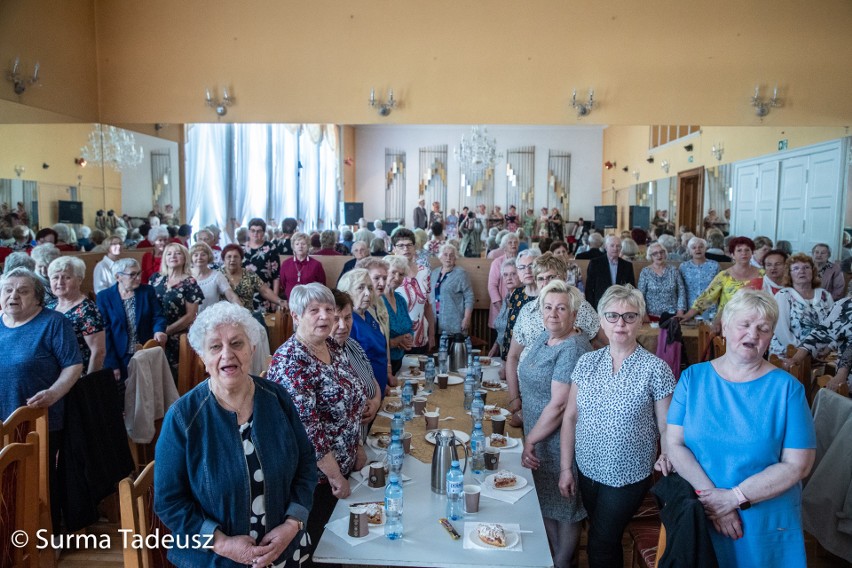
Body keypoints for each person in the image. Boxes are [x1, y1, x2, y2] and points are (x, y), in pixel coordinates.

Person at [154, 302, 316, 567]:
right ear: (202, 357)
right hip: (215, 559)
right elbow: (169, 501)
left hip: (286, 549)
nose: (227, 354)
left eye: (236, 343)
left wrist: (292, 523)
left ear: (252, 348)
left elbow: (306, 463)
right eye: (215, 347)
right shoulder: (184, 417)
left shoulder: (277, 398)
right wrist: (221, 542)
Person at [667, 289, 816, 566]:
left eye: (763, 328)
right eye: (744, 324)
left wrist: (735, 498)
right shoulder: (692, 378)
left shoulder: (787, 389)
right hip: (703, 513)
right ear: (724, 326)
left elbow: (798, 465)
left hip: (765, 518)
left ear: (771, 337)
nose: (753, 334)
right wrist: (716, 502)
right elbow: (674, 443)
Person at [559, 285, 675, 568]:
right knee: (602, 535)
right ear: (601, 320)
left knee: (602, 540)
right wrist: (565, 468)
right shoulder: (586, 362)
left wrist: (668, 452)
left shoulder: (655, 369)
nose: (620, 323)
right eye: (612, 316)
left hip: (628, 474)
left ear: (641, 320)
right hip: (587, 468)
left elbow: (667, 425)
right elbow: (570, 417)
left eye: (629, 316)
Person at [266, 283, 367, 565]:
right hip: (314, 482)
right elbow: (310, 434)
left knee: (345, 547)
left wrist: (357, 445)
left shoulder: (332, 346)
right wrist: (336, 477)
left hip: (343, 466)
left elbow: (353, 400)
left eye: (329, 309)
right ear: (297, 316)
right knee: (320, 552)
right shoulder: (291, 362)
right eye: (314, 310)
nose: (325, 316)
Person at [0, 268, 83, 527]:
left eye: (22, 291)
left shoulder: (53, 322)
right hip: (2, 418)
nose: (13, 295)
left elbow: (73, 365)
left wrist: (53, 393)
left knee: (41, 476)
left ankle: (48, 533)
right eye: (8, 290)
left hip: (39, 416)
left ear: (37, 298)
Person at [519, 281, 590, 568]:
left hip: (561, 438)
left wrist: (530, 440)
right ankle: (554, 559)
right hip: (538, 434)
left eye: (561, 308)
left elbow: (560, 405)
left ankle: (562, 564)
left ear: (574, 315)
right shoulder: (544, 337)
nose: (553, 314)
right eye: (548, 307)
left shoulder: (572, 347)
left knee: (566, 509)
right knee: (548, 503)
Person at [96, 258, 168, 380]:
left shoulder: (147, 291)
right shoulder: (104, 297)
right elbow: (105, 333)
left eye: (139, 273)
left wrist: (159, 330)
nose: (138, 278)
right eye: (132, 275)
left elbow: (158, 315)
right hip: (120, 355)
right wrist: (112, 364)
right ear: (118, 277)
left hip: (145, 349)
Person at [680, 236, 764, 330]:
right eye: (739, 250)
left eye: (747, 250)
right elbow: (707, 297)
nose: (743, 253)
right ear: (732, 255)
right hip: (728, 322)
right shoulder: (724, 275)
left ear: (752, 253)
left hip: (756, 322)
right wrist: (687, 315)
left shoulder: (763, 275)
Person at [331, 289, 381, 441]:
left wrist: (376, 403)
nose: (343, 326)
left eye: (347, 318)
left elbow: (373, 381)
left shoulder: (353, 345)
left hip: (364, 438)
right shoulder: (322, 357)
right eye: (335, 319)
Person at [47, 257, 106, 375]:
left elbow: (98, 352)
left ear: (79, 280)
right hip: (53, 377)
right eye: (55, 277)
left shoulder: (87, 310)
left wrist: (89, 383)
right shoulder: (49, 307)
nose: (60, 282)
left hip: (78, 377)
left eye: (67, 277)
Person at [149, 243, 204, 368]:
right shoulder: (155, 279)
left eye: (178, 253)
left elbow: (190, 315)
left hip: (178, 338)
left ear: (185, 258)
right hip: (155, 335)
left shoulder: (190, 282)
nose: (173, 256)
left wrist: (167, 330)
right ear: (164, 258)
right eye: (169, 253)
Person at [339, 269, 392, 396]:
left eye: (369, 288)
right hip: (363, 394)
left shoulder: (368, 315)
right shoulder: (348, 322)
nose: (368, 293)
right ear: (347, 292)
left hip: (379, 388)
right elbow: (348, 365)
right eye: (360, 288)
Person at [770, 253, 833, 356]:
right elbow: (781, 330)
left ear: (813, 271)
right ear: (789, 274)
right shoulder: (783, 295)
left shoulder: (825, 295)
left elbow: (834, 325)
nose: (801, 271)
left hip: (822, 354)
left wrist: (828, 347)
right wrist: (803, 351)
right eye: (796, 268)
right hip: (789, 353)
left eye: (806, 267)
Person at [392, 228, 435, 353]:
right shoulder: (389, 273)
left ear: (414, 247)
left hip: (420, 337)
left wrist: (431, 334)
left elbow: (428, 306)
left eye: (409, 245)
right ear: (394, 249)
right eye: (401, 246)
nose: (406, 249)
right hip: (396, 340)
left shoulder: (424, 271)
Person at [500, 249, 542, 357]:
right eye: (522, 267)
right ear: (518, 272)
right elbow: (509, 329)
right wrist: (505, 359)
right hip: (515, 357)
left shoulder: (547, 295)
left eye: (531, 266)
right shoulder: (516, 294)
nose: (527, 271)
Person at [220, 244, 286, 311]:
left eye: (236, 257)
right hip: (223, 317)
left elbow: (265, 291)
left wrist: (280, 301)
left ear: (241, 259)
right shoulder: (217, 275)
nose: (232, 260)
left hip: (247, 317)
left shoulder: (250, 274)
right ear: (223, 259)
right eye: (229, 257)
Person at [430, 243, 474, 338]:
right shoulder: (434, 273)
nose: (448, 258)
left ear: (455, 258)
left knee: (454, 351)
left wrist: (467, 318)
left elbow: (469, 297)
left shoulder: (461, 274)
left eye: (451, 255)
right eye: (445, 254)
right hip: (434, 323)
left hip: (454, 323)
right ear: (440, 257)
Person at [637, 242, 687, 319]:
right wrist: (644, 314)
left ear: (665, 253)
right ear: (651, 256)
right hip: (651, 315)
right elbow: (640, 295)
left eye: (661, 252)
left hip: (672, 315)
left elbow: (681, 292)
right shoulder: (645, 272)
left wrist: (680, 312)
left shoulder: (674, 270)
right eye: (655, 253)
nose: (659, 255)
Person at [585, 235, 636, 309]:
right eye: (612, 245)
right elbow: (589, 288)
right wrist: (591, 308)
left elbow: (632, 288)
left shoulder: (627, 265)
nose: (615, 248)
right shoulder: (595, 263)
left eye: (618, 246)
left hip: (621, 304)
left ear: (621, 248)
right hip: (600, 304)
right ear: (606, 247)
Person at [189, 242, 242, 312]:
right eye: (196, 255)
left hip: (211, 319)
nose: (199, 257)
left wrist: (242, 311)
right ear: (191, 257)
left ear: (209, 257)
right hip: (188, 320)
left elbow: (231, 296)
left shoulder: (217, 275)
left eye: (203, 255)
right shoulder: (185, 275)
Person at [279, 232, 326, 311]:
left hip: (311, 303)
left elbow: (322, 285)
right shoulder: (286, 264)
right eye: (297, 244)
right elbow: (283, 283)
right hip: (291, 303)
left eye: (303, 244)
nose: (300, 246)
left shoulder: (316, 265)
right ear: (293, 247)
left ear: (308, 246)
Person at [383, 255, 414, 374]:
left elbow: (408, 327)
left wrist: (409, 338)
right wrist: (396, 341)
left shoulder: (400, 300)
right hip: (383, 364)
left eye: (401, 275)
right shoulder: (377, 301)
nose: (397, 278)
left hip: (399, 360)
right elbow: (375, 339)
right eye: (393, 272)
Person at [679, 237, 721, 321]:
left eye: (701, 247)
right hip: (690, 308)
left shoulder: (715, 266)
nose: (697, 249)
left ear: (706, 248)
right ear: (689, 250)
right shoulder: (683, 267)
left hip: (710, 308)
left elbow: (720, 288)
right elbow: (681, 290)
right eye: (694, 247)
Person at [487, 233, 520, 333]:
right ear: (504, 247)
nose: (513, 244)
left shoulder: (521, 261)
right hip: (500, 306)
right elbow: (492, 286)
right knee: (499, 337)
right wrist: (502, 309)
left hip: (518, 306)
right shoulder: (497, 263)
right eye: (510, 242)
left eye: (515, 242)